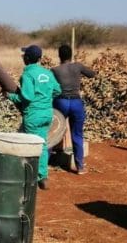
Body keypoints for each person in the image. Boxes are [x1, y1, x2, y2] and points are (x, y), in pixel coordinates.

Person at [7, 45, 61, 190]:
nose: (23, 57)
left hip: (33, 115)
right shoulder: (47, 73)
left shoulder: (27, 75)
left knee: (30, 145)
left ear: (28, 58)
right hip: (47, 114)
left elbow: (27, 96)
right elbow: (57, 90)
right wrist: (45, 98)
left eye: (24, 55)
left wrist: (10, 96)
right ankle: (42, 177)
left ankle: (31, 179)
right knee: (42, 145)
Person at [51, 44, 96, 175]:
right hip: (76, 102)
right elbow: (92, 74)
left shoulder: (54, 70)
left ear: (59, 56)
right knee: (77, 134)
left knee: (53, 132)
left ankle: (44, 165)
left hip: (61, 102)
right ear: (71, 55)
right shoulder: (78, 66)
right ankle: (80, 167)